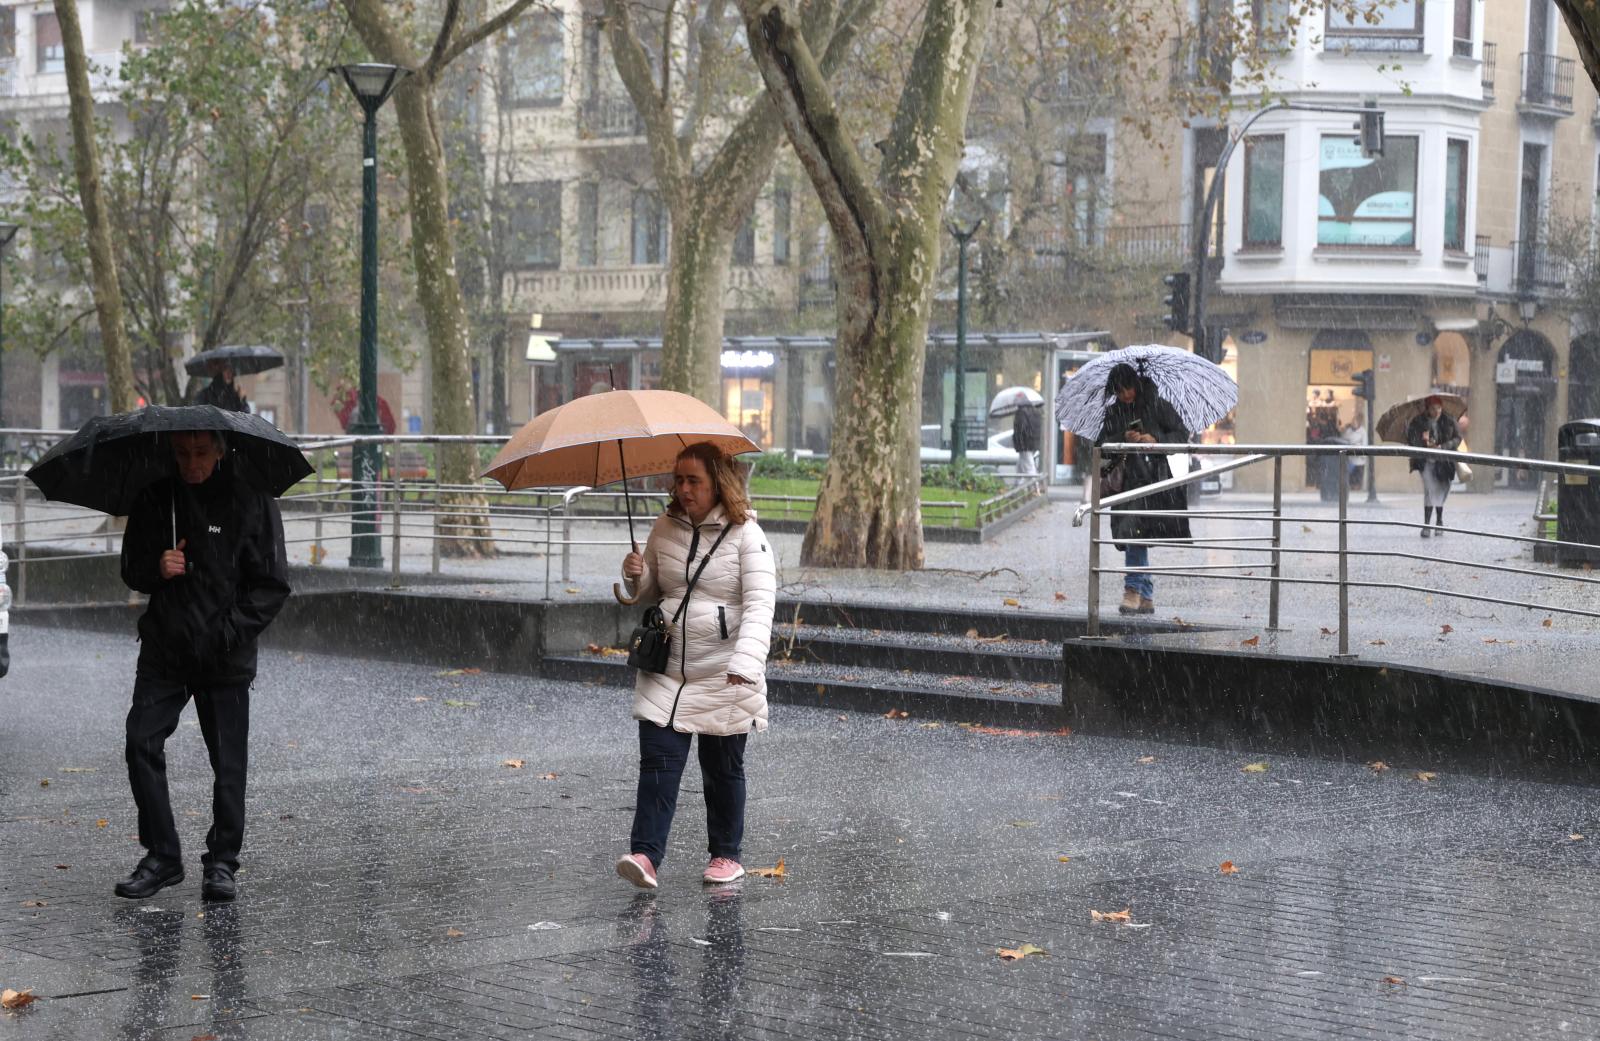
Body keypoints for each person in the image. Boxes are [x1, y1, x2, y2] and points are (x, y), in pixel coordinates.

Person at [115, 430, 291, 902]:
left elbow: (271, 586)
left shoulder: (250, 500)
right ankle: (162, 856)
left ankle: (222, 862)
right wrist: (158, 565)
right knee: (140, 742)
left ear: (219, 450)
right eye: (180, 454)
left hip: (225, 655)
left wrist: (225, 632)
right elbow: (131, 568)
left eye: (199, 453)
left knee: (228, 765)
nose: (190, 463)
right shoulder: (156, 498)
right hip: (165, 651)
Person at [617, 442, 776, 889]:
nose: (684, 489)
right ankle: (646, 856)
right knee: (657, 765)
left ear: (718, 483)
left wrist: (747, 662)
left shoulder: (748, 535)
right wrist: (637, 575)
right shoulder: (665, 526)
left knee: (722, 769)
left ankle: (726, 854)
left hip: (724, 671)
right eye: (679, 480)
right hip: (666, 670)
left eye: (694, 481)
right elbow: (653, 591)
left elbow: (762, 605)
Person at [1097, 363, 1191, 615]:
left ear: (1136, 384)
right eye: (1119, 391)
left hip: (1152, 481)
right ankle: (1146, 595)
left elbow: (1182, 436)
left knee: (1134, 533)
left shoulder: (1158, 405)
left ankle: (1132, 590)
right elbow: (1101, 446)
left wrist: (1155, 440)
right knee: (1133, 533)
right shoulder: (1114, 413)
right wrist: (1122, 439)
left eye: (1128, 388)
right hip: (1124, 483)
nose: (1125, 395)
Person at [1405, 395, 1462, 537]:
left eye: (1439, 408)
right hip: (1426, 462)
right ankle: (1427, 525)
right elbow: (1411, 439)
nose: (1436, 411)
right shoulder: (1418, 422)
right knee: (1430, 491)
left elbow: (1457, 438)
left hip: (1444, 462)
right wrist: (1423, 441)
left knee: (1442, 490)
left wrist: (1443, 446)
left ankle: (1439, 520)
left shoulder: (1449, 420)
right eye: (1433, 408)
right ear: (1427, 409)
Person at [1012, 403, 1042, 476]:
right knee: (1021, 466)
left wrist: (1016, 436)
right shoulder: (1036, 412)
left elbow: (1022, 428)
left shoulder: (1021, 413)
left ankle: (1035, 486)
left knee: (1029, 467)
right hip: (1033, 442)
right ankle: (1018, 485)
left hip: (1025, 444)